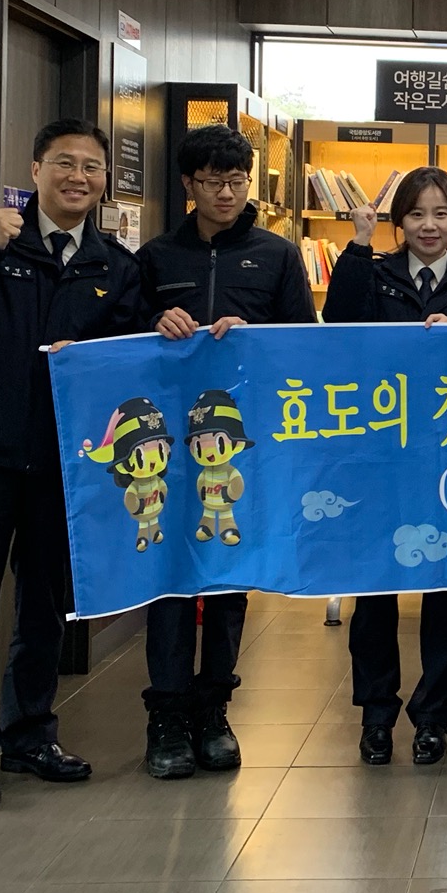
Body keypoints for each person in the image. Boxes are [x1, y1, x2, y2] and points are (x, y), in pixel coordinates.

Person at [0, 119, 145, 812]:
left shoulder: (113, 264)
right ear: (36, 169)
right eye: (65, 164)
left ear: (104, 182)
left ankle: (30, 734)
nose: (79, 177)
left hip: (63, 462)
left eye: (92, 168)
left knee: (45, 606)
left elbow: (129, 357)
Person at [139, 123, 314, 780]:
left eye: (237, 181)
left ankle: (214, 710)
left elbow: (303, 341)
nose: (226, 193)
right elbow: (120, 340)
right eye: (213, 182)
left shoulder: (277, 255)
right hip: (167, 447)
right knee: (170, 577)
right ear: (190, 184)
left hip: (243, 443)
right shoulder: (157, 257)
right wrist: (155, 323)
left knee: (230, 574)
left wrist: (254, 334)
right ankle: (166, 716)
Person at [321, 166, 447, 766]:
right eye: (417, 214)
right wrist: (358, 243)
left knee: (444, 588)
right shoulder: (373, 272)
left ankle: (433, 715)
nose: (429, 225)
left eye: (441, 214)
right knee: (376, 587)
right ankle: (376, 715)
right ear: (399, 222)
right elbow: (339, 324)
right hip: (380, 452)